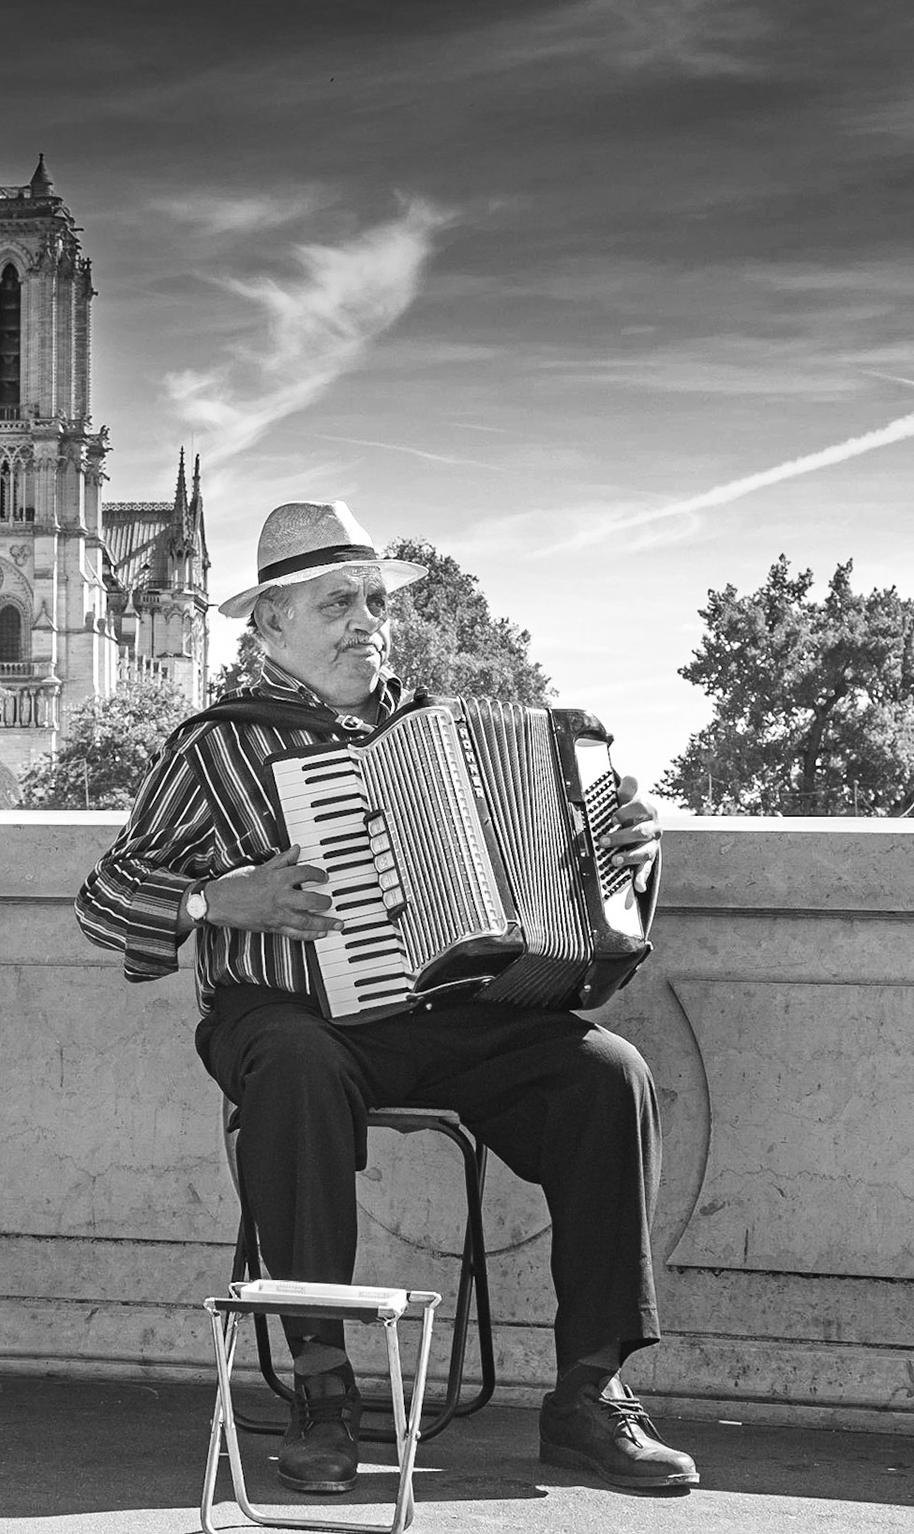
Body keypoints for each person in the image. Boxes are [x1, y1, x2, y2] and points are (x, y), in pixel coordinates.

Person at [78, 500, 697, 1495]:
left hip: (450, 1016)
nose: (368, 620)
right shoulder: (214, 746)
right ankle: (323, 1391)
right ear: (270, 626)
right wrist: (213, 898)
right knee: (294, 1063)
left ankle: (590, 1394)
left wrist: (627, 851)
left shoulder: (435, 731)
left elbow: (561, 881)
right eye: (336, 604)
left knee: (604, 1075)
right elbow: (103, 898)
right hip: (291, 1019)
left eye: (374, 600)